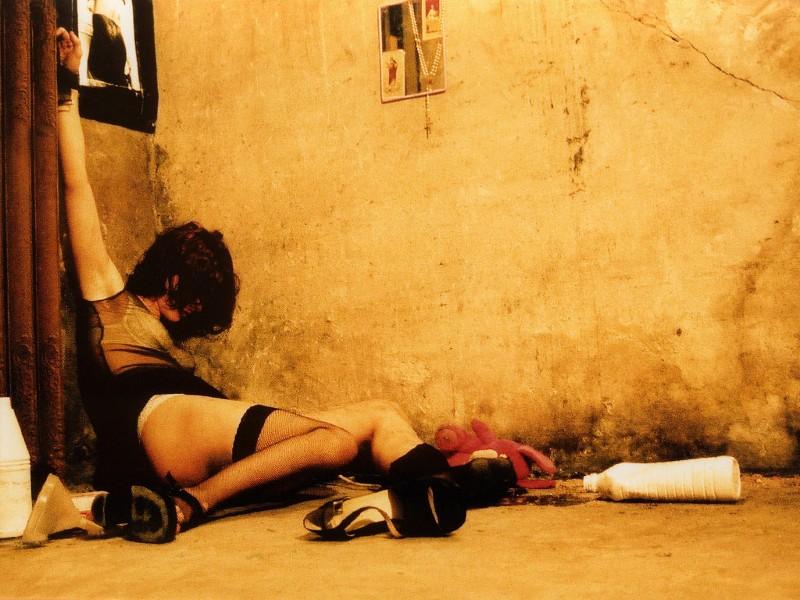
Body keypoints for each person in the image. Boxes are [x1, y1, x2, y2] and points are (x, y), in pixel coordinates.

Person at [56, 29, 513, 543]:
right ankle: (191, 504)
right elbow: (77, 189)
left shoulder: (169, 339)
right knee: (335, 442)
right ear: (173, 278)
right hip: (157, 423)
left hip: (192, 424)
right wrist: (65, 91)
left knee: (382, 414)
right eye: (192, 299)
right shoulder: (110, 302)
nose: (194, 313)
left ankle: (438, 490)